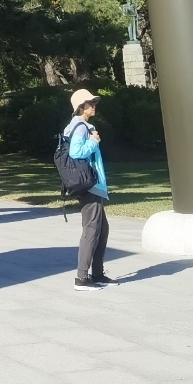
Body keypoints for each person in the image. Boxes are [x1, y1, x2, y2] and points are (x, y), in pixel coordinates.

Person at [62, 88, 111, 288]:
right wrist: (93, 142)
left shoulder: (80, 125)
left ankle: (97, 274)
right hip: (90, 184)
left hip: (90, 184)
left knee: (102, 228)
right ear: (81, 107)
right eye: (90, 103)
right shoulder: (81, 126)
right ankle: (82, 278)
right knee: (92, 229)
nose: (94, 106)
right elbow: (76, 153)